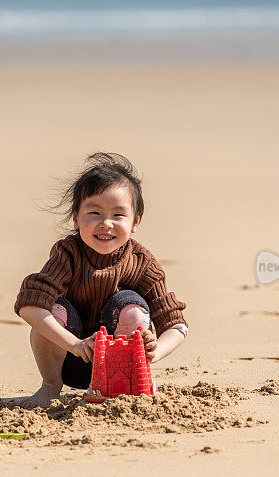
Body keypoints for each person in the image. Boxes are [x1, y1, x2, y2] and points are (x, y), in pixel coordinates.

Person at [14, 152, 188, 409]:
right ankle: (49, 387)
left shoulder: (142, 262)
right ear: (76, 218)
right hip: (69, 360)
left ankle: (123, 389)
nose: (105, 223)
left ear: (135, 222)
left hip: (121, 365)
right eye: (94, 212)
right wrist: (75, 345)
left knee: (131, 308)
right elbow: (30, 306)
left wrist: (155, 351)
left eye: (118, 215)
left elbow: (177, 326)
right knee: (55, 308)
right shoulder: (67, 255)